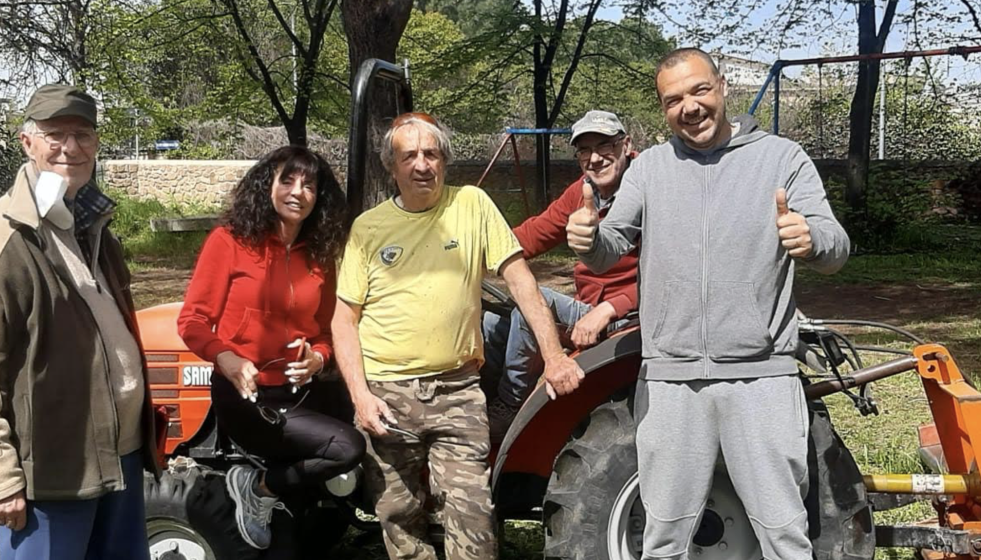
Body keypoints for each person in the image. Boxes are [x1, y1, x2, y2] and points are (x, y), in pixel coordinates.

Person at [567, 48, 850, 560]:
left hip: (761, 378)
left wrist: (811, 239)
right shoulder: (651, 168)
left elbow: (836, 244)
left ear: (722, 87)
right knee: (662, 541)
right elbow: (610, 247)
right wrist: (588, 238)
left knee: (786, 539)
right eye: (673, 99)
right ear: (663, 109)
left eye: (699, 90)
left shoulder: (782, 159)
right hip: (672, 382)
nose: (689, 107)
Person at [332, 112, 584, 560]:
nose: (422, 165)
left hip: (457, 389)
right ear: (392, 167)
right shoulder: (369, 229)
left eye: (431, 154)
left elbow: (520, 280)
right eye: (409, 156)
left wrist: (554, 356)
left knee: (472, 514)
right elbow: (343, 319)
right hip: (387, 393)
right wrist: (360, 397)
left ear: (444, 162)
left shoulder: (472, 205)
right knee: (398, 515)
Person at [0, 84, 158, 560]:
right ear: (28, 143)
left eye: (83, 134)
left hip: (119, 459)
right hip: (53, 473)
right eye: (55, 134)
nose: (71, 147)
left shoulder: (91, 225)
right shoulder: (1, 240)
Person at [177, 146, 364, 556]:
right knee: (347, 447)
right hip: (246, 396)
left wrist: (317, 357)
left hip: (300, 393)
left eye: (309, 185)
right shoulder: (229, 242)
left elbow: (326, 331)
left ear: (319, 197)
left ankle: (278, 503)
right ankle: (256, 487)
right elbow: (191, 321)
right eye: (288, 180)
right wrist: (225, 357)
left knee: (296, 530)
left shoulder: (318, 255)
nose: (298, 192)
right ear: (268, 186)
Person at [481, 109, 640, 441]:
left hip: (629, 316)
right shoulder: (583, 192)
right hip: (590, 307)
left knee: (533, 304)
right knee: (492, 322)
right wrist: (475, 253)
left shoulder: (647, 188)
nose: (595, 158)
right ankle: (483, 400)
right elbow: (535, 234)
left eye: (604, 146)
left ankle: (511, 407)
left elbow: (671, 271)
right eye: (585, 150)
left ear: (625, 145)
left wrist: (610, 309)